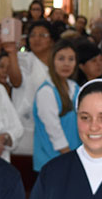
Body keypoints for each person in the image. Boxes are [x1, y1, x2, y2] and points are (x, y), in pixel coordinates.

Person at [33, 40, 81, 171]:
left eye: (71, 59)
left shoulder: (75, 88)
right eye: (61, 59)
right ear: (52, 61)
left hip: (73, 157)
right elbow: (53, 129)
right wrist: (69, 155)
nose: (66, 63)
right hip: (52, 160)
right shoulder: (46, 91)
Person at [10, 20, 55, 160]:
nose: (37, 39)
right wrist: (11, 52)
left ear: (52, 40)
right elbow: (15, 81)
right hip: (25, 131)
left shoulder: (58, 66)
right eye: (33, 35)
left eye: (42, 35)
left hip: (50, 131)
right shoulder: (23, 59)